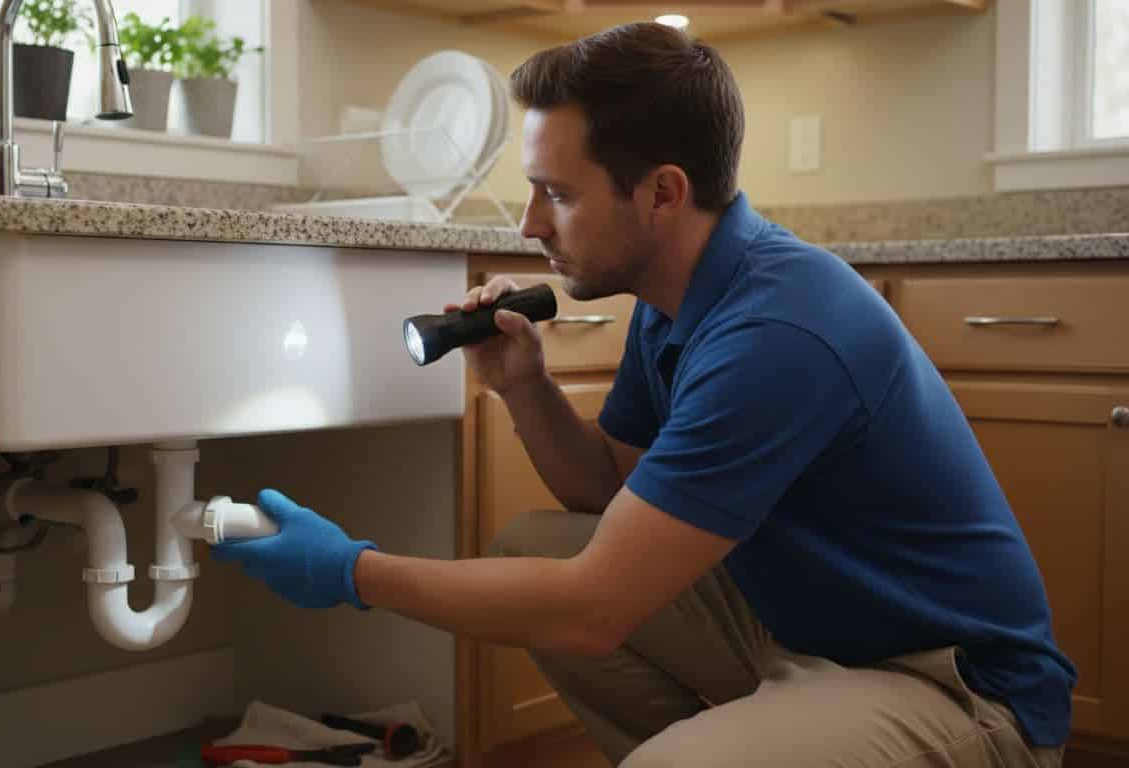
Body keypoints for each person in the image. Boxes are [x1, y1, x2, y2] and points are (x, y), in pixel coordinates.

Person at [212, 21, 1075, 767]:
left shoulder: (776, 331)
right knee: (530, 547)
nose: (530, 224)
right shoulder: (677, 299)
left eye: (558, 193)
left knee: (627, 688)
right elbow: (605, 488)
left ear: (662, 193)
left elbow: (593, 611)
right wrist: (525, 386)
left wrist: (351, 572)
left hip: (954, 687)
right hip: (809, 631)